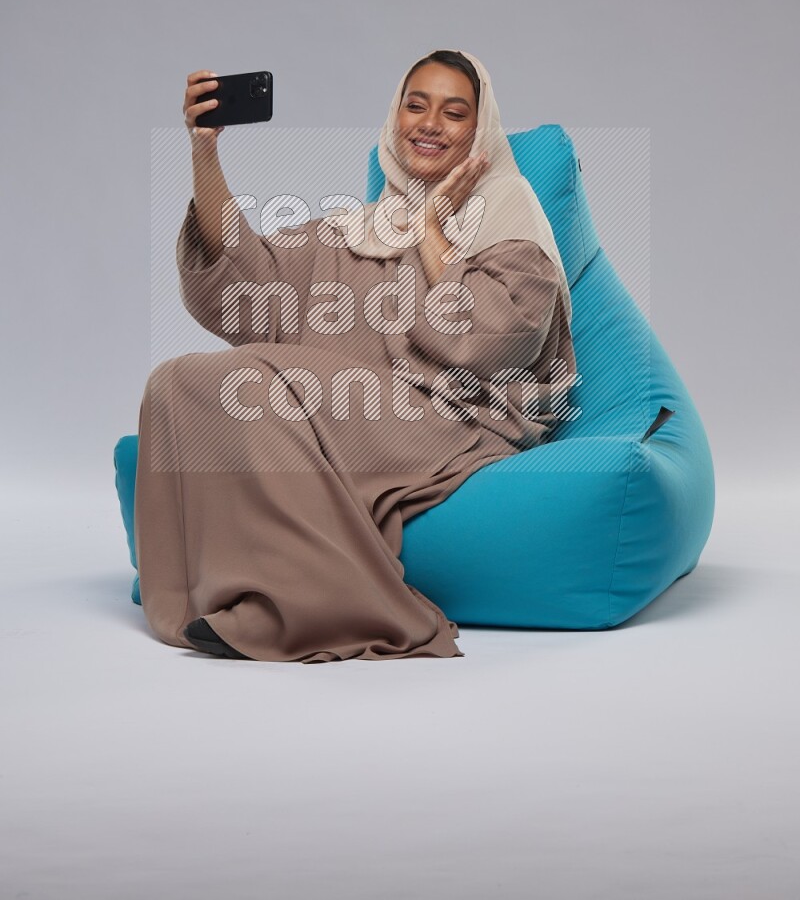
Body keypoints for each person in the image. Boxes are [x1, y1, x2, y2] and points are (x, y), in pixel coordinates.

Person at [133, 49, 577, 662]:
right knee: (177, 381)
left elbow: (503, 332)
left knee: (259, 383)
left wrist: (433, 239)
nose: (429, 123)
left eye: (454, 112)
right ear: (395, 115)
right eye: (415, 105)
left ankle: (323, 606)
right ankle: (226, 592)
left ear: (480, 129)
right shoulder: (361, 226)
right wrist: (205, 152)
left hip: (455, 418)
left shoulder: (506, 205)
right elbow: (246, 278)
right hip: (364, 410)